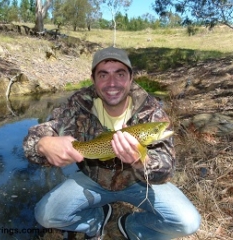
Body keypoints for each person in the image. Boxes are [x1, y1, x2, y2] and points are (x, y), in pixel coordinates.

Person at [23, 46, 201, 240]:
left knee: (188, 222)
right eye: (103, 75)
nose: (112, 83)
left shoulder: (151, 111)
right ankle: (96, 221)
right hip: (93, 181)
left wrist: (141, 161)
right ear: (93, 79)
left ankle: (131, 225)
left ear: (131, 78)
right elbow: (41, 134)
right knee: (45, 215)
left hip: (139, 182)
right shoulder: (78, 104)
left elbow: (167, 168)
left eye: (120, 74)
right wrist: (44, 143)